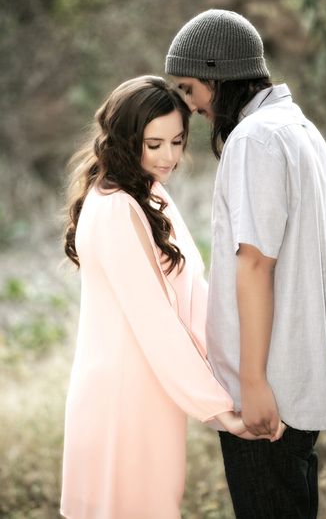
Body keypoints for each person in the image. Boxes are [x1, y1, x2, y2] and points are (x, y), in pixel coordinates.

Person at [60, 76, 280, 519]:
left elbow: (192, 294)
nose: (169, 157)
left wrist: (240, 373)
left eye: (177, 142)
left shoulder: (147, 194)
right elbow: (158, 323)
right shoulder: (117, 208)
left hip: (149, 391)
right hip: (124, 400)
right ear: (125, 139)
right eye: (153, 144)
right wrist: (220, 409)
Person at [165, 9, 326, 519]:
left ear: (218, 75)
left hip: (268, 393)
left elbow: (256, 265)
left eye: (190, 88)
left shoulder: (255, 140)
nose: (191, 106)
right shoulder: (301, 130)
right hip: (298, 380)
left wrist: (254, 384)